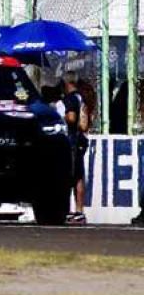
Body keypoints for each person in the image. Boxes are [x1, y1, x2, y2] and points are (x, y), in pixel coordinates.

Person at [62, 69, 91, 225]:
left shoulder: (70, 99)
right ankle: (79, 211)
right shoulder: (81, 97)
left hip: (72, 140)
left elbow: (72, 118)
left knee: (69, 175)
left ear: (66, 83)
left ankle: (68, 210)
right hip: (81, 140)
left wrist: (60, 114)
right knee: (78, 175)